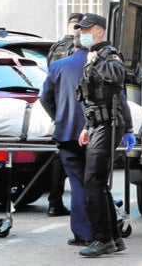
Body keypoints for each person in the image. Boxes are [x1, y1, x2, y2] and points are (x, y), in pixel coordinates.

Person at [75, 13, 136, 257]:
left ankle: (103, 240)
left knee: (92, 182)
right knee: (98, 183)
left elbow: (118, 79)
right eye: (80, 29)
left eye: (86, 29)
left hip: (109, 124)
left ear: (99, 31)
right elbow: (95, 98)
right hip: (99, 124)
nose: (82, 33)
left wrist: (97, 60)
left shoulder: (108, 55)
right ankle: (114, 238)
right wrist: (87, 127)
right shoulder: (94, 57)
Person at [39, 28, 93, 246]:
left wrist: (58, 117)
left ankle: (83, 233)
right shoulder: (98, 65)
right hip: (94, 132)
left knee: (78, 182)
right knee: (96, 182)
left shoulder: (58, 66)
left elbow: (45, 99)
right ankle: (102, 230)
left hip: (67, 132)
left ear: (74, 45)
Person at [43, 12, 84, 217]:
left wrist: (55, 114)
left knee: (60, 159)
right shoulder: (74, 50)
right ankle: (57, 202)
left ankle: (54, 201)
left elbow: (48, 85)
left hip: (60, 110)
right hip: (74, 112)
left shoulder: (55, 47)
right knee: (71, 165)